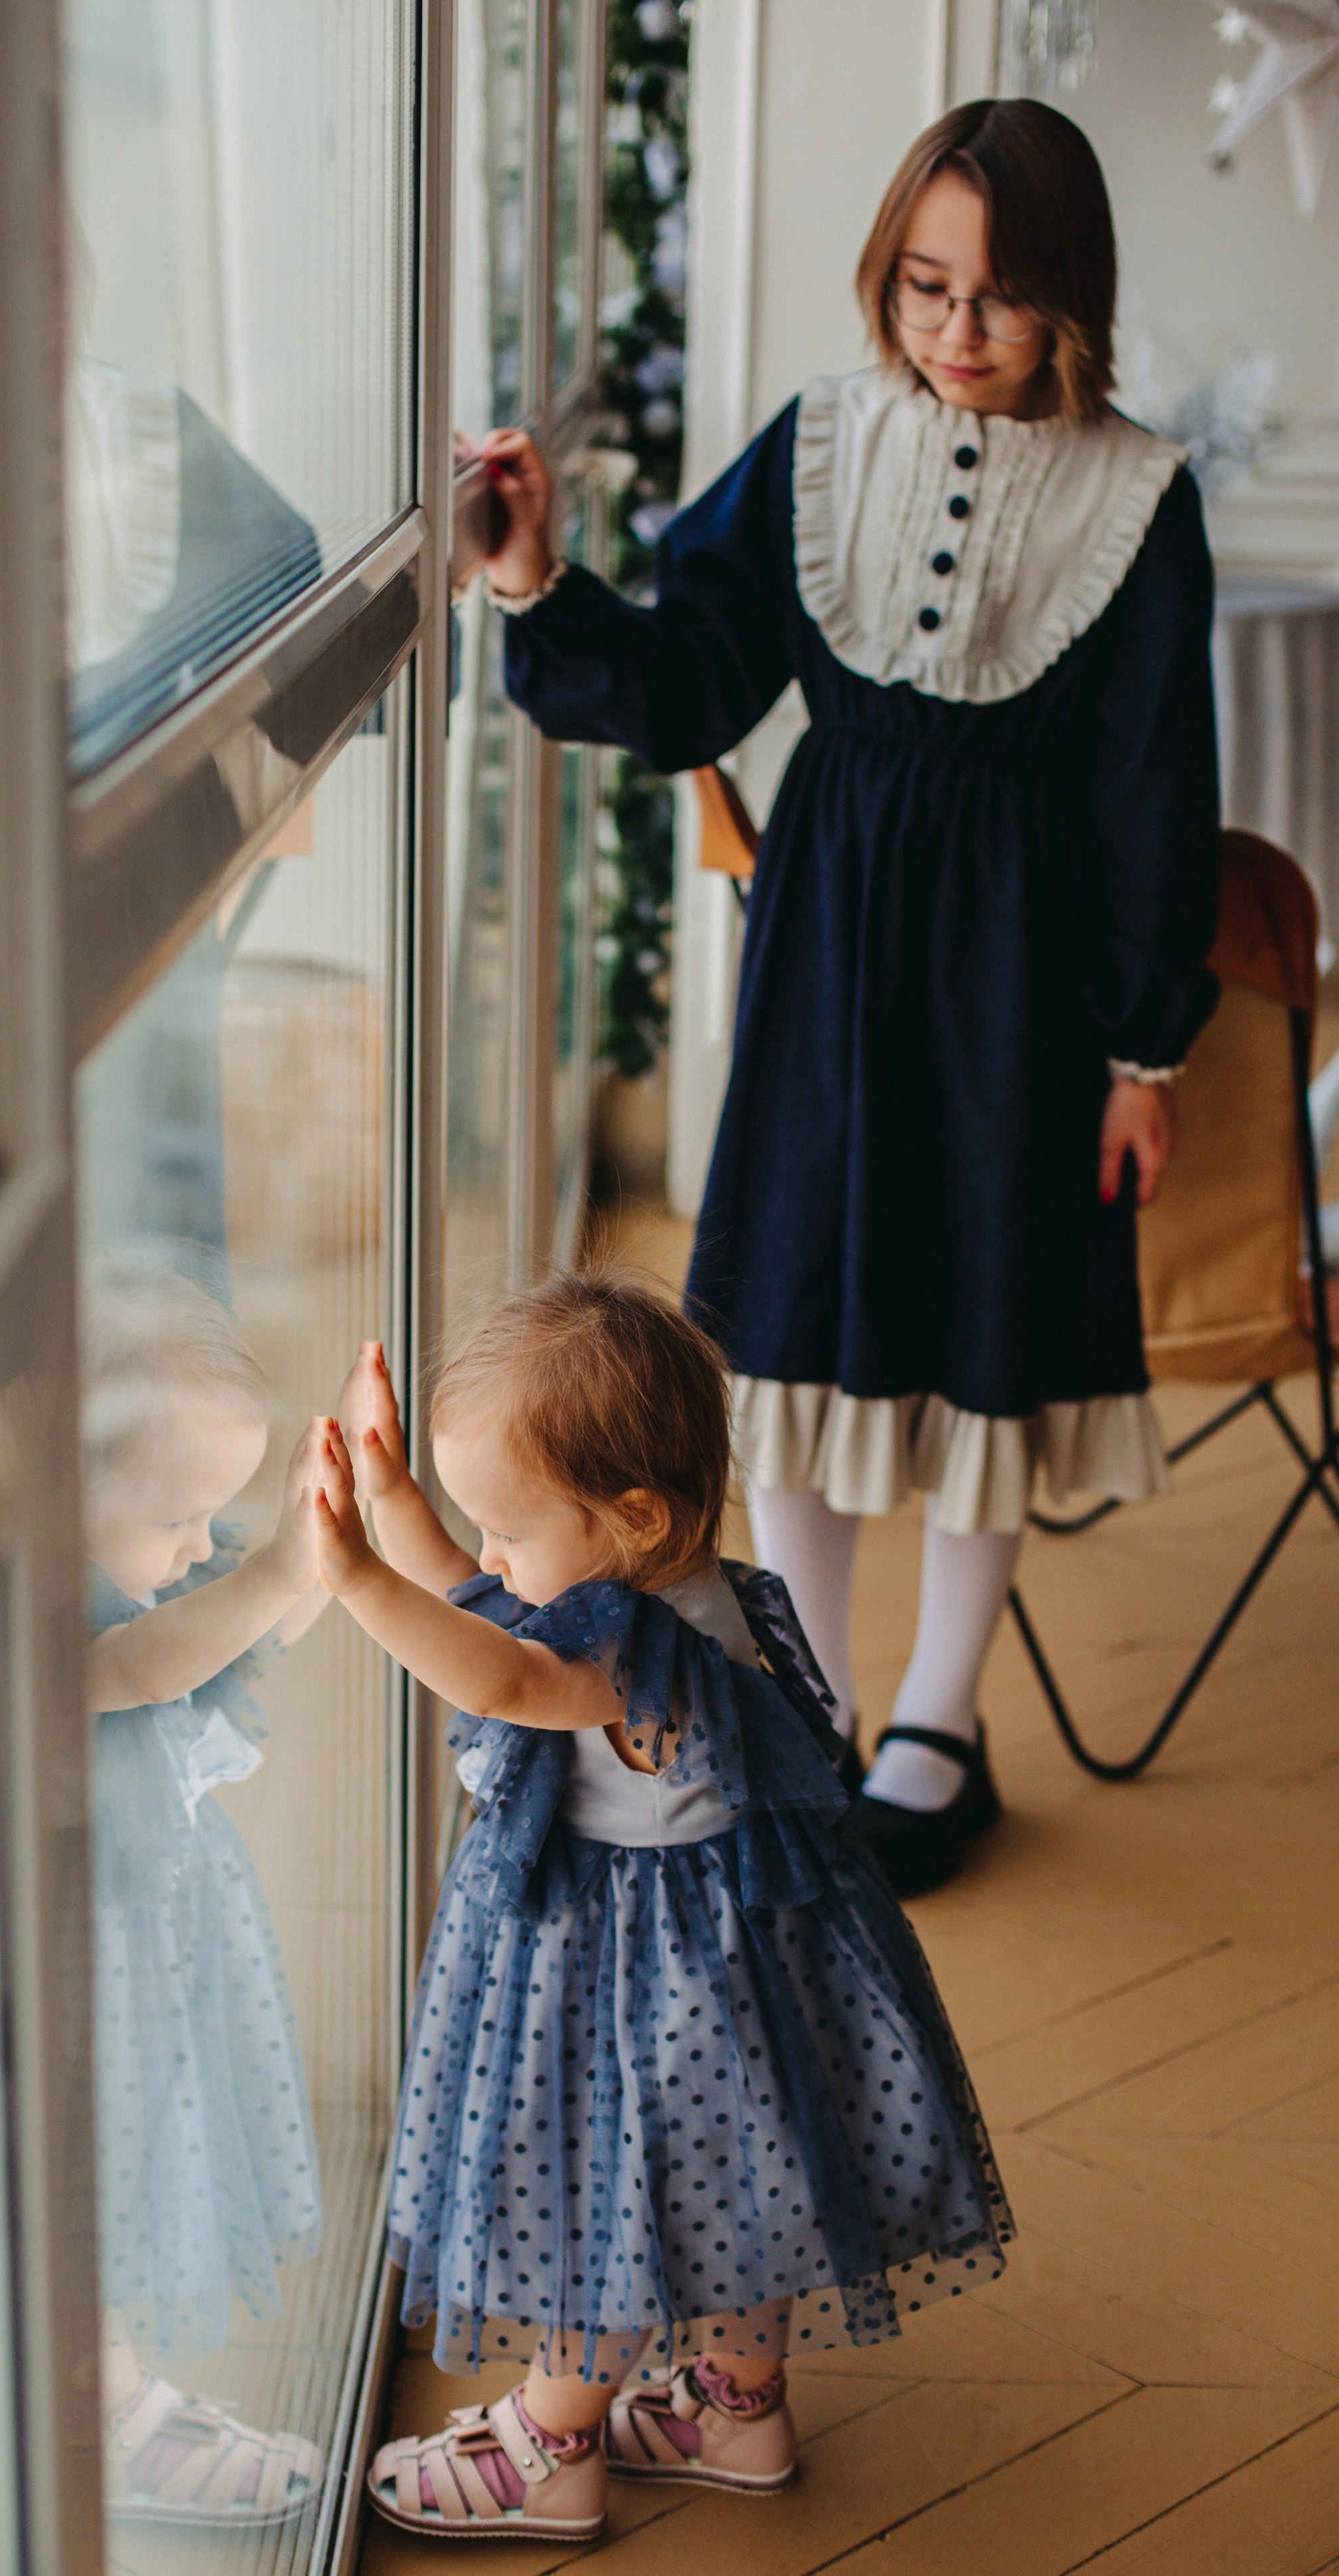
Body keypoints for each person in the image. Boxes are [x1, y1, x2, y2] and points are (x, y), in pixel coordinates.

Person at [474, 100, 1221, 1896]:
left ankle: (937, 1728)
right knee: (801, 1320)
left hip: (1031, 983)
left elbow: (1154, 793)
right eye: (924, 285)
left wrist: (1143, 1048)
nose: (958, 332)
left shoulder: (1139, 499)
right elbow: (683, 685)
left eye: (1003, 298)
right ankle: (806, 1708)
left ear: (1074, 308)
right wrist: (532, 579)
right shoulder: (816, 450)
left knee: (984, 1334)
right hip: (834, 947)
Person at [317, 1275, 1011, 2542]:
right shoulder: (684, 1589)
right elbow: (493, 1600)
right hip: (742, 1963)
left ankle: (550, 2446)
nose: (491, 1558)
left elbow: (510, 1671)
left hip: (641, 1980)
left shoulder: (638, 1659)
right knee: (729, 2201)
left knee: (608, 2205)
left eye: (508, 1529)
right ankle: (736, 2408)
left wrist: (363, 1584)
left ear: (632, 1517)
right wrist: (392, 1494)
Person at [83, 1261, 328, 2530]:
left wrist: (314, 1563)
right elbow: (132, 1670)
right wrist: (278, 1569)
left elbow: (241, 1636)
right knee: (96, 2195)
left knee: (132, 2176)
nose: (196, 1547)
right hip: (86, 1966)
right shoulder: (47, 1618)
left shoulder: (146, 1571)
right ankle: (108, 2410)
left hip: (157, 1938)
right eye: (179, 1514)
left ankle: (113, 2392)